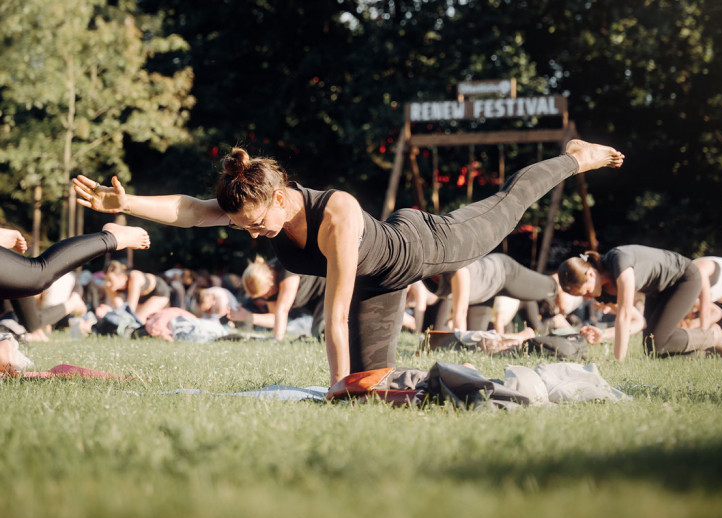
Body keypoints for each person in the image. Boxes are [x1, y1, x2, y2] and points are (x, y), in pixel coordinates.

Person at [74, 139, 624, 385]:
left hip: (421, 244)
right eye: (246, 228)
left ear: (283, 195)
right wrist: (126, 203)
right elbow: (191, 211)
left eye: (259, 224)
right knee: (369, 384)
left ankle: (572, 158)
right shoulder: (249, 200)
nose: (256, 234)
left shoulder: (335, 212)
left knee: (503, 211)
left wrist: (336, 382)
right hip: (377, 285)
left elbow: (333, 317)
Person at [0, 222, 150, 372]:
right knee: (32, 322)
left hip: (63, 288)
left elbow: (129, 310)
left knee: (36, 276)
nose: (108, 284)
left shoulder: (134, 278)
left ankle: (112, 237)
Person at [558, 246, 722, 360]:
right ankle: (710, 350)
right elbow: (638, 321)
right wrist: (604, 335)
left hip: (684, 277)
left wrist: (619, 362)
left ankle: (713, 335)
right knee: (652, 349)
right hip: (658, 291)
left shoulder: (619, 262)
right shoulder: (603, 292)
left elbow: (624, 316)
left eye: (586, 292)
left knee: (659, 341)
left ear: (590, 274)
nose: (588, 298)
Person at [424, 253, 570, 334]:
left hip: (504, 273)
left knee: (549, 286)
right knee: (474, 343)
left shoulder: (458, 270)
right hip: (482, 296)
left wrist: (454, 342)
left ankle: (578, 274)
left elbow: (460, 312)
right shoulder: (429, 278)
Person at [240, 256, 326, 339]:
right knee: (318, 332)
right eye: (263, 297)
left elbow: (283, 309)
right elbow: (276, 318)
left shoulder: (287, 268)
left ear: (270, 278)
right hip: (314, 301)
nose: (267, 297)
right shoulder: (269, 288)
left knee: (320, 330)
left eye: (267, 293)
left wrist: (277, 338)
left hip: (327, 289)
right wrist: (247, 316)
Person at [103, 260, 171, 323]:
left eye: (110, 280)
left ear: (121, 276)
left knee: (139, 320)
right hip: (141, 298)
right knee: (132, 321)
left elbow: (130, 309)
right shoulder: (110, 287)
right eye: (105, 279)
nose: (107, 283)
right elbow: (121, 310)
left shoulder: (134, 278)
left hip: (158, 292)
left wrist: (109, 312)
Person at [691, 256, 722, 329]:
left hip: (687, 300)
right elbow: (700, 268)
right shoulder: (716, 268)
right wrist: (704, 325)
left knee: (717, 313)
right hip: (679, 290)